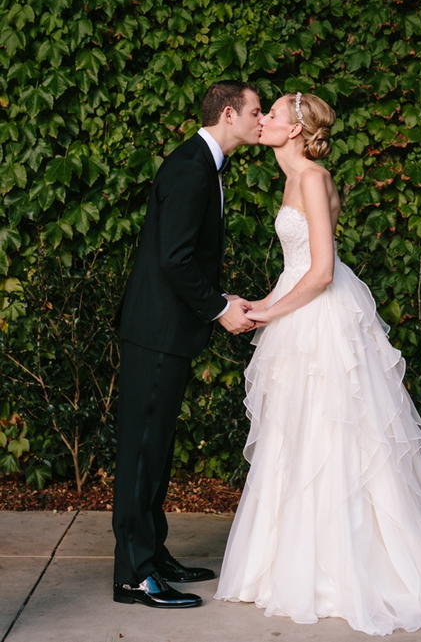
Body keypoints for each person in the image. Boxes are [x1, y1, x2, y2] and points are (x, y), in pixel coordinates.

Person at [214, 91, 421, 635]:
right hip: (298, 309)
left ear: (294, 129)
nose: (263, 121)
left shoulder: (314, 179)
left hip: (321, 314)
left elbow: (321, 270)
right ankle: (296, 564)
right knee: (298, 434)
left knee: (338, 433)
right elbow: (302, 263)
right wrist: (270, 303)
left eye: (271, 114)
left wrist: (270, 311)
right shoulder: (291, 177)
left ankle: (351, 568)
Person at [112, 81, 261, 609]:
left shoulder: (204, 163)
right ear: (229, 113)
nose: (260, 120)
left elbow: (184, 258)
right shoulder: (191, 168)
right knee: (141, 454)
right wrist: (220, 310)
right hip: (154, 331)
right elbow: (174, 259)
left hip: (164, 331)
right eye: (255, 111)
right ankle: (134, 576)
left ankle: (153, 553)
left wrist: (221, 295)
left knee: (158, 450)